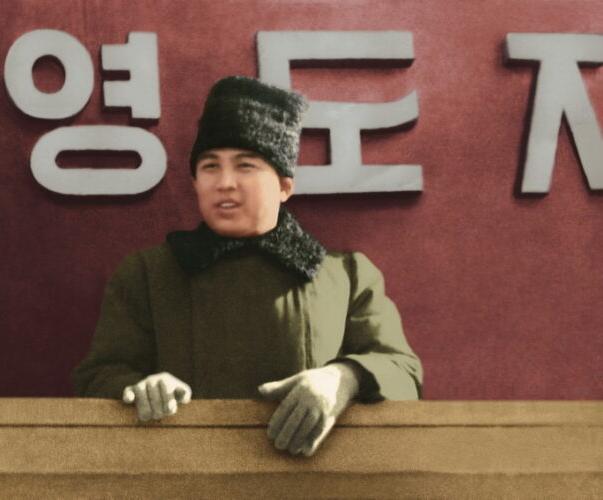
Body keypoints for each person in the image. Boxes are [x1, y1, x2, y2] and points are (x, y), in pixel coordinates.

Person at [72, 75, 422, 457]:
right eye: (210, 166)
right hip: (185, 475)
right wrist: (141, 390)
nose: (225, 182)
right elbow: (96, 378)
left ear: (284, 186)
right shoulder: (147, 274)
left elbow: (402, 371)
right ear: (195, 182)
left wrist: (343, 378)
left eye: (245, 166)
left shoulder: (347, 276)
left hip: (314, 478)